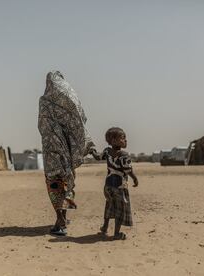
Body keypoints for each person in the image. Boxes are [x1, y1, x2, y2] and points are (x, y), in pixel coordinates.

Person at [38, 70, 94, 236]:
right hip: (66, 156)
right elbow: (80, 122)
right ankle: (61, 220)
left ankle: (60, 221)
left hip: (52, 155)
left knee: (55, 185)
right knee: (64, 184)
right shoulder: (71, 99)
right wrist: (86, 145)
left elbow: (42, 126)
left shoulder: (44, 102)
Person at [90, 127, 138, 240]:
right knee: (120, 210)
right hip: (119, 186)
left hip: (108, 186)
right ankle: (116, 233)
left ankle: (105, 227)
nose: (125, 140)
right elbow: (128, 170)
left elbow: (98, 157)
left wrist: (92, 151)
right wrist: (135, 178)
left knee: (109, 205)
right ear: (113, 140)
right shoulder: (124, 155)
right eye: (123, 138)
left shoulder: (107, 151)